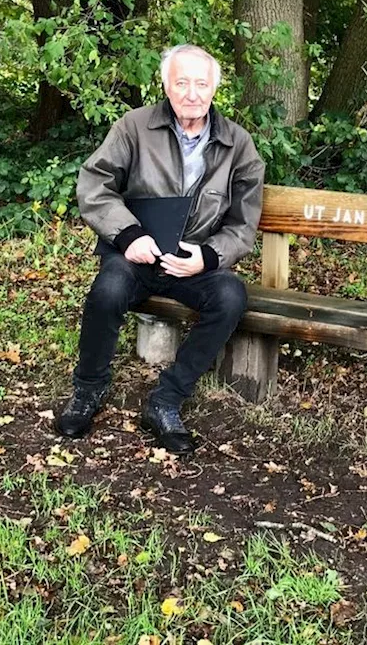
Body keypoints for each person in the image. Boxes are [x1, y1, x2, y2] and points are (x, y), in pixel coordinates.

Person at [56, 44, 265, 455]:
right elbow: (94, 185)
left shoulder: (238, 143)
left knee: (230, 296)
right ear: (166, 85)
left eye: (201, 84)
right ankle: (88, 390)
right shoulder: (133, 127)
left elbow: (244, 221)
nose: (192, 93)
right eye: (182, 82)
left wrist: (207, 257)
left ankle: (166, 400)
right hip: (136, 255)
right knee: (108, 290)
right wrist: (129, 236)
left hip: (193, 262)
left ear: (213, 90)